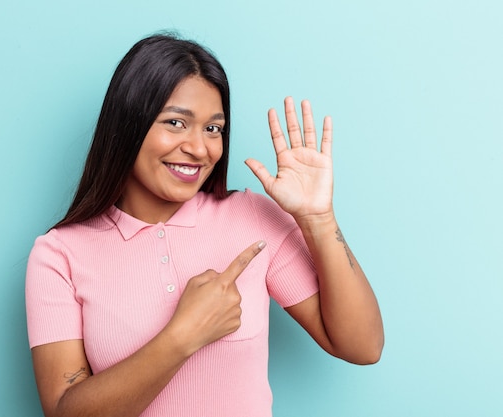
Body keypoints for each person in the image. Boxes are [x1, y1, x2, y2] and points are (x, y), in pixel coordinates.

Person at [25, 33, 384, 417]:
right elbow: (64, 411)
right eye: (176, 122)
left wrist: (318, 220)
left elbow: (362, 347)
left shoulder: (252, 217)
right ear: (128, 123)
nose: (200, 149)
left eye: (213, 129)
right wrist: (184, 336)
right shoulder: (59, 254)